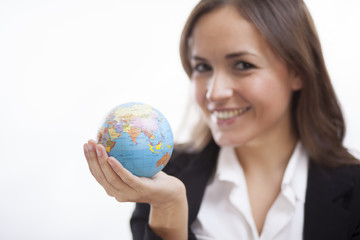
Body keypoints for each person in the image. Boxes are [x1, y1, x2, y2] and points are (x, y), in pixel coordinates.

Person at [84, 0, 360, 239]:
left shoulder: (355, 190)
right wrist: (169, 210)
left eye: (242, 65)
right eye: (202, 67)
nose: (214, 93)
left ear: (297, 71)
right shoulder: (163, 181)